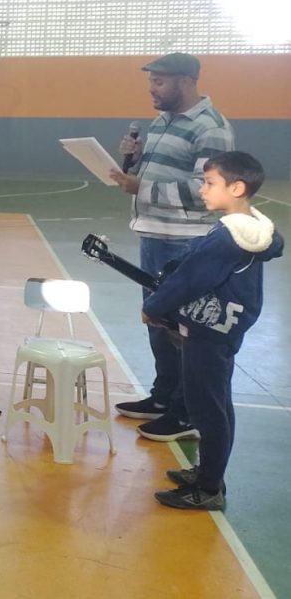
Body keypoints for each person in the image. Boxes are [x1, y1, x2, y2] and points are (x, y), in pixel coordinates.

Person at [140, 152, 283, 511]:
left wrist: (153, 307)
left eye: (210, 183)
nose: (202, 189)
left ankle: (207, 488)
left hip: (209, 330)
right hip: (225, 326)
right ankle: (209, 472)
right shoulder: (251, 227)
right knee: (216, 402)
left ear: (237, 187)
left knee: (208, 408)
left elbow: (190, 279)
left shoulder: (227, 238)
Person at [108, 53, 235, 443]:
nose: (152, 89)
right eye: (151, 81)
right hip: (155, 235)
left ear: (186, 81)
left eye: (160, 82)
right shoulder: (163, 121)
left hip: (186, 243)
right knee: (158, 323)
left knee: (184, 329)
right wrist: (133, 159)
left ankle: (186, 413)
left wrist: (141, 188)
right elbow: (159, 172)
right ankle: (164, 397)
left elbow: (206, 192)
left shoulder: (211, 129)